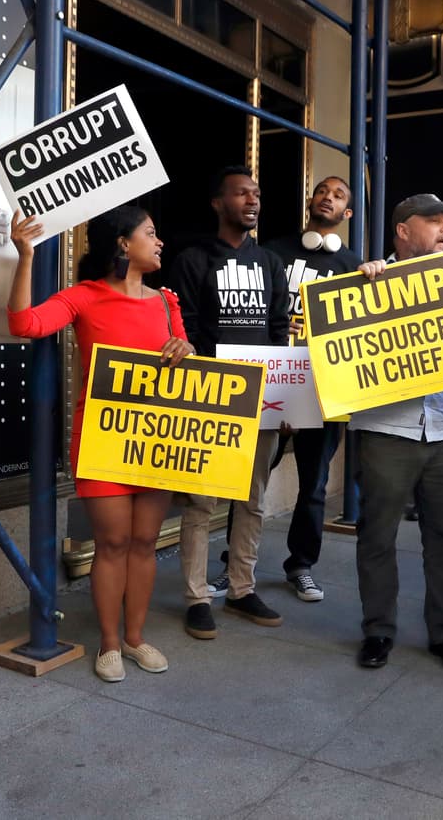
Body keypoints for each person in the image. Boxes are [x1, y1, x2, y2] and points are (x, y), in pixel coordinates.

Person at [7, 206, 194, 682]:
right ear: (122, 244)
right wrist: (25, 256)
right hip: (102, 440)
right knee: (112, 543)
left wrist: (186, 350)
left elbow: (185, 357)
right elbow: (24, 324)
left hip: (157, 439)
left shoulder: (167, 301)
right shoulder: (83, 297)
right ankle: (110, 645)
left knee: (145, 542)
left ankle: (135, 638)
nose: (160, 242)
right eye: (150, 234)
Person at [352, 193, 443, 673]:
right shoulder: (365, 282)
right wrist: (361, 288)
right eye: (434, 221)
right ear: (403, 230)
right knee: (377, 536)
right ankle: (378, 630)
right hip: (386, 430)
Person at [168, 166, 289, 640]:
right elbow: (185, 329)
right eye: (242, 194)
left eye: (257, 194)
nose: (252, 201)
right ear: (219, 203)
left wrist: (285, 402)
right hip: (209, 400)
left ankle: (241, 587)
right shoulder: (193, 259)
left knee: (252, 501)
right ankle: (197, 597)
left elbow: (279, 331)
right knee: (200, 503)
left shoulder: (271, 263)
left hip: (261, 400)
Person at [264, 175, 361, 601]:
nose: (328, 197)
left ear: (348, 214)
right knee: (248, 481)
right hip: (274, 380)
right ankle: (237, 562)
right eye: (322, 191)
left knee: (314, 484)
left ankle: (301, 565)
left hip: (325, 388)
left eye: (338, 195)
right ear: (309, 200)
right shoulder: (271, 252)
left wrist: (373, 273)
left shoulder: (353, 265)